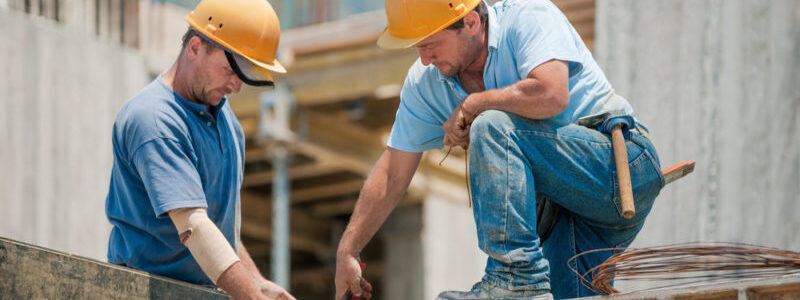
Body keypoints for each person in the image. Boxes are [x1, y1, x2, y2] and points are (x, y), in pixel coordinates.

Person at [334, 0, 664, 299]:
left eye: (431, 44)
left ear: (471, 23)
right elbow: (392, 172)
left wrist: (475, 103)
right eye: (417, 48)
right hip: (567, 217)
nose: (424, 58)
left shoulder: (527, 18)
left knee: (491, 125)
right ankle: (520, 282)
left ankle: (514, 276)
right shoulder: (425, 83)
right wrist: (348, 250)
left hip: (619, 168)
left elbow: (552, 93)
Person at [105, 0, 295, 299]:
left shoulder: (223, 117)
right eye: (233, 69)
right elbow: (194, 226)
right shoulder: (154, 120)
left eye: (247, 73)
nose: (237, 86)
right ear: (194, 47)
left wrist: (256, 281)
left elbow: (215, 227)